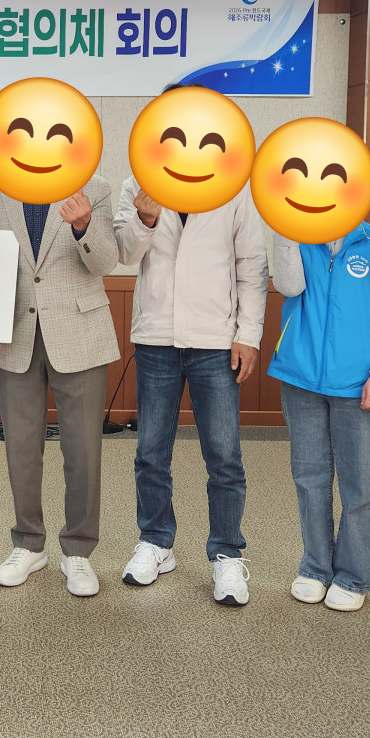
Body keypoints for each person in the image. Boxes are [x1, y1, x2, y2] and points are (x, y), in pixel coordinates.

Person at [112, 175, 267, 605]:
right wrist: (144, 219)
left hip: (215, 340)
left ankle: (226, 553)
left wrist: (248, 335)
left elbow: (252, 264)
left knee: (224, 456)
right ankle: (156, 541)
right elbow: (125, 254)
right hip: (156, 337)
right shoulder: (137, 183)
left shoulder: (233, 187)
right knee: (151, 452)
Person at [0, 179, 120, 597]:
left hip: (81, 331)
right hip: (15, 335)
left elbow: (106, 263)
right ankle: (28, 543)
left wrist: (83, 226)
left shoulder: (93, 190)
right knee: (21, 448)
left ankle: (78, 549)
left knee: (83, 449)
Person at [268, 226, 370, 611]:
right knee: (310, 479)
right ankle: (315, 568)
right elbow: (289, 286)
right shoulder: (298, 233)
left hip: (358, 382)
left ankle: (353, 577)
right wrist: (284, 226)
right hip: (301, 376)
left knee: (359, 484)